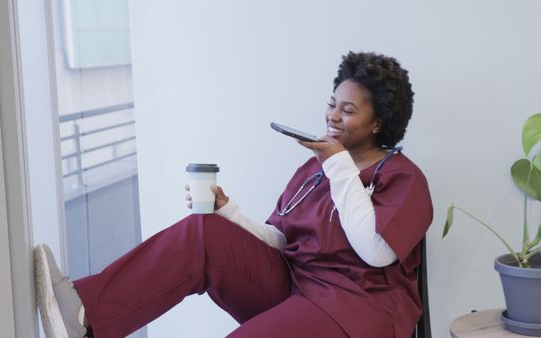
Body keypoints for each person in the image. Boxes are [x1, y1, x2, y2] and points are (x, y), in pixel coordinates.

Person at [34, 51, 433, 338]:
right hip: (297, 286)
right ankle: (84, 316)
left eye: (348, 110)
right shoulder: (315, 169)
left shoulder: (402, 177)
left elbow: (377, 251)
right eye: (332, 104)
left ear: (379, 121)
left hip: (357, 309)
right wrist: (229, 213)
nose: (331, 116)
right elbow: (282, 242)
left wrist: (340, 165)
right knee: (202, 230)